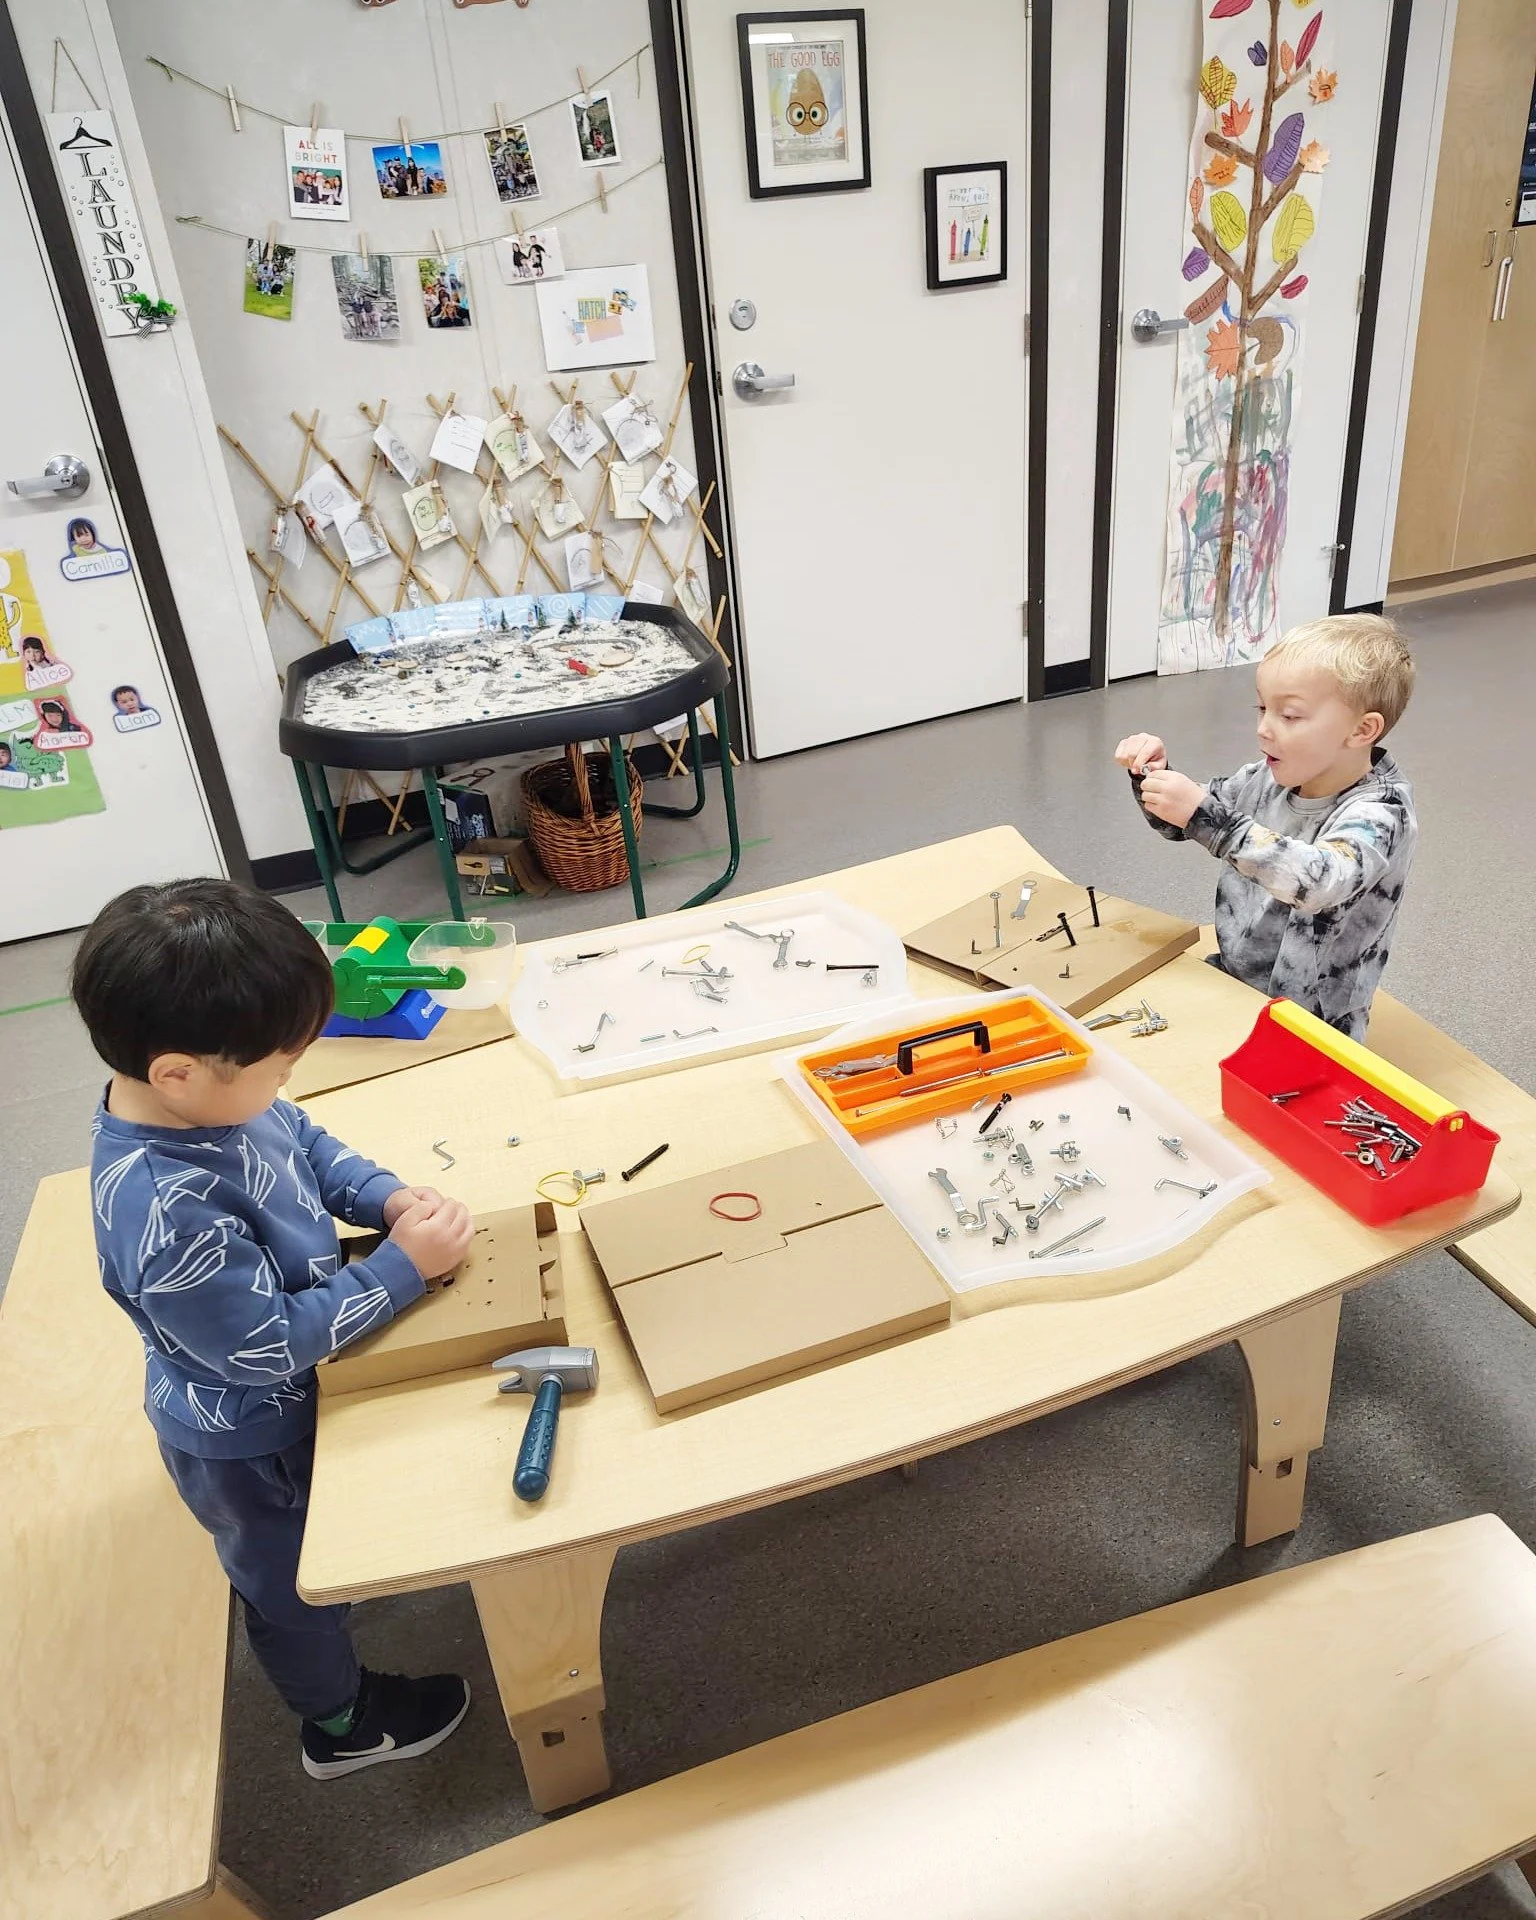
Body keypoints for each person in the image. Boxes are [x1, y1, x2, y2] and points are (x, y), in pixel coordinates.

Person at [70, 880, 476, 1779]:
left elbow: (303, 1141)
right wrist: (401, 1268)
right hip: (249, 1436)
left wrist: (386, 1198)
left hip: (295, 1384)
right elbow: (267, 1347)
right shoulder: (163, 1208)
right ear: (177, 1072)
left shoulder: (219, 1103)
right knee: (291, 1583)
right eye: (277, 1067)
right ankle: (341, 1723)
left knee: (331, 1534)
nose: (285, 1086)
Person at [1114, 614, 1416, 1041]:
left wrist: (1206, 817)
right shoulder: (1267, 778)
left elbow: (1318, 882)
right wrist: (1154, 777)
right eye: (1262, 708)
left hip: (1315, 1022)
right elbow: (1183, 823)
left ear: (1362, 729)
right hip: (1237, 984)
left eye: (1289, 716)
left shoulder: (1382, 812)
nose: (1263, 728)